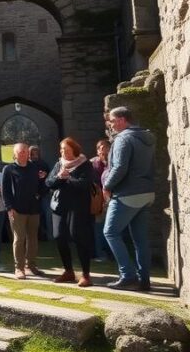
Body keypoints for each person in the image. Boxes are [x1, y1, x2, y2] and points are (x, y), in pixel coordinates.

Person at [102, 106, 156, 291]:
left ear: (123, 120)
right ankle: (144, 279)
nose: (110, 124)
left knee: (110, 232)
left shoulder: (123, 138)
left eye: (112, 120)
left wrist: (107, 186)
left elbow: (119, 168)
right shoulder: (147, 137)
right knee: (140, 239)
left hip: (128, 194)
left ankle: (128, 276)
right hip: (147, 193)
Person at [46, 137, 95, 287]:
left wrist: (68, 178)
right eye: (61, 149)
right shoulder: (59, 164)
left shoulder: (85, 164)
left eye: (66, 150)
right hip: (60, 207)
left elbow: (85, 184)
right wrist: (59, 177)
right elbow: (49, 183)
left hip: (78, 207)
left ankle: (86, 275)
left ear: (74, 150)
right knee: (59, 237)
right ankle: (68, 271)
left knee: (78, 237)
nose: (63, 152)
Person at [2, 142, 47, 279]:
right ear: (15, 154)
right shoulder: (9, 169)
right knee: (19, 239)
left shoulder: (35, 168)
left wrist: (40, 194)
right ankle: (19, 268)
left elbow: (43, 185)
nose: (24, 154)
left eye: (25, 152)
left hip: (34, 209)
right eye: (20, 152)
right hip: (17, 211)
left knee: (33, 239)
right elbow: (5, 191)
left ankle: (31, 266)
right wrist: (9, 208)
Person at [90, 138, 112, 262]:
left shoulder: (114, 162)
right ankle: (101, 254)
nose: (103, 151)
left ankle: (111, 254)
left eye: (106, 148)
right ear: (97, 151)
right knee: (99, 228)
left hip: (112, 200)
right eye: (100, 149)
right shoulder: (92, 164)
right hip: (98, 201)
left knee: (111, 228)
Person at [30, 145, 52, 240]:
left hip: (44, 195)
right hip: (32, 196)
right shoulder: (27, 165)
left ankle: (50, 237)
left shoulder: (43, 164)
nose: (35, 156)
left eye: (36, 153)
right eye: (32, 154)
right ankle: (37, 237)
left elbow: (47, 182)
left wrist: (40, 193)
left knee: (47, 216)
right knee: (35, 218)